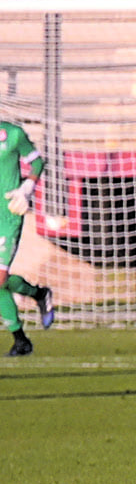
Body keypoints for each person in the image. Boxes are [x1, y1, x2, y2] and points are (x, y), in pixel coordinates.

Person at [0, 117, 52, 357]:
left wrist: (26, 188)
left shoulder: (13, 134)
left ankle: (21, 339)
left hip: (8, 215)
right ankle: (38, 295)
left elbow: (37, 162)